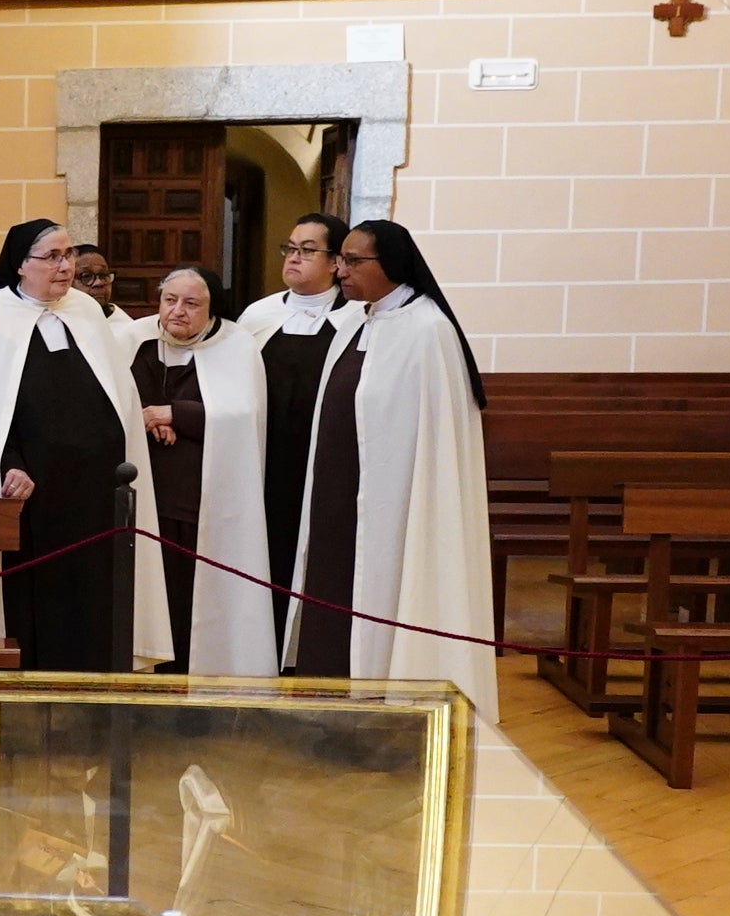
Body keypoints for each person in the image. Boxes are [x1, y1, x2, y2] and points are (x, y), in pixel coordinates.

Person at [0, 219, 172, 672]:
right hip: (32, 495)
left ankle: (98, 689)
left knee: (95, 598)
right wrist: (7, 464)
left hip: (96, 492)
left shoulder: (86, 313)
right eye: (53, 257)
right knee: (38, 604)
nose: (66, 266)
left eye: (69, 254)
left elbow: (119, 396)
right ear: (21, 265)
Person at [287, 218, 495, 719]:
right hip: (339, 500)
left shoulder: (427, 330)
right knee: (332, 595)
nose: (342, 270)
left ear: (393, 266)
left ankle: (385, 705)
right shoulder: (359, 320)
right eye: (342, 259)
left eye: (355, 261)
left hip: (397, 506)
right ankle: (327, 707)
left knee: (385, 597)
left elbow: (429, 439)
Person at [130, 266, 279, 675]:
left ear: (212, 309)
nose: (177, 311)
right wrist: (152, 417)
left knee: (188, 598)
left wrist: (175, 413)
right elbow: (118, 395)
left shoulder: (237, 345)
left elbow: (244, 412)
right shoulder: (132, 340)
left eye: (191, 303)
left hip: (201, 502)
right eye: (169, 300)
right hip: (143, 498)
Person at [234, 211, 345, 629]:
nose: (293, 258)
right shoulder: (258, 316)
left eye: (307, 250)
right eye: (290, 249)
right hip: (266, 460)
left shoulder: (354, 319)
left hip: (324, 461)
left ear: (336, 262)